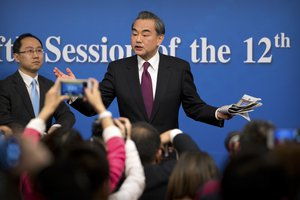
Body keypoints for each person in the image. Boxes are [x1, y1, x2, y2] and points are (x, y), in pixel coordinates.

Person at [53, 11, 232, 133]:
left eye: (145, 34)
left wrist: (218, 113)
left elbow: (194, 107)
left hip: (166, 152)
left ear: (159, 39)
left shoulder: (178, 68)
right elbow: (95, 105)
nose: (138, 39)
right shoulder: (118, 68)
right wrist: (71, 87)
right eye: (134, 33)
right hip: (130, 152)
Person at [0, 33, 75, 133]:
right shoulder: (4, 86)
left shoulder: (50, 85)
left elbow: (67, 114)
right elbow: (4, 119)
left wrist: (56, 128)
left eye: (39, 50)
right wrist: (33, 133)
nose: (36, 55)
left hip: (46, 145)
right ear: (16, 57)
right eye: (30, 51)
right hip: (18, 145)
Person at [130, 122, 200, 200]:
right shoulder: (170, 175)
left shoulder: (117, 180)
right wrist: (174, 133)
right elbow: (196, 160)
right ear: (159, 153)